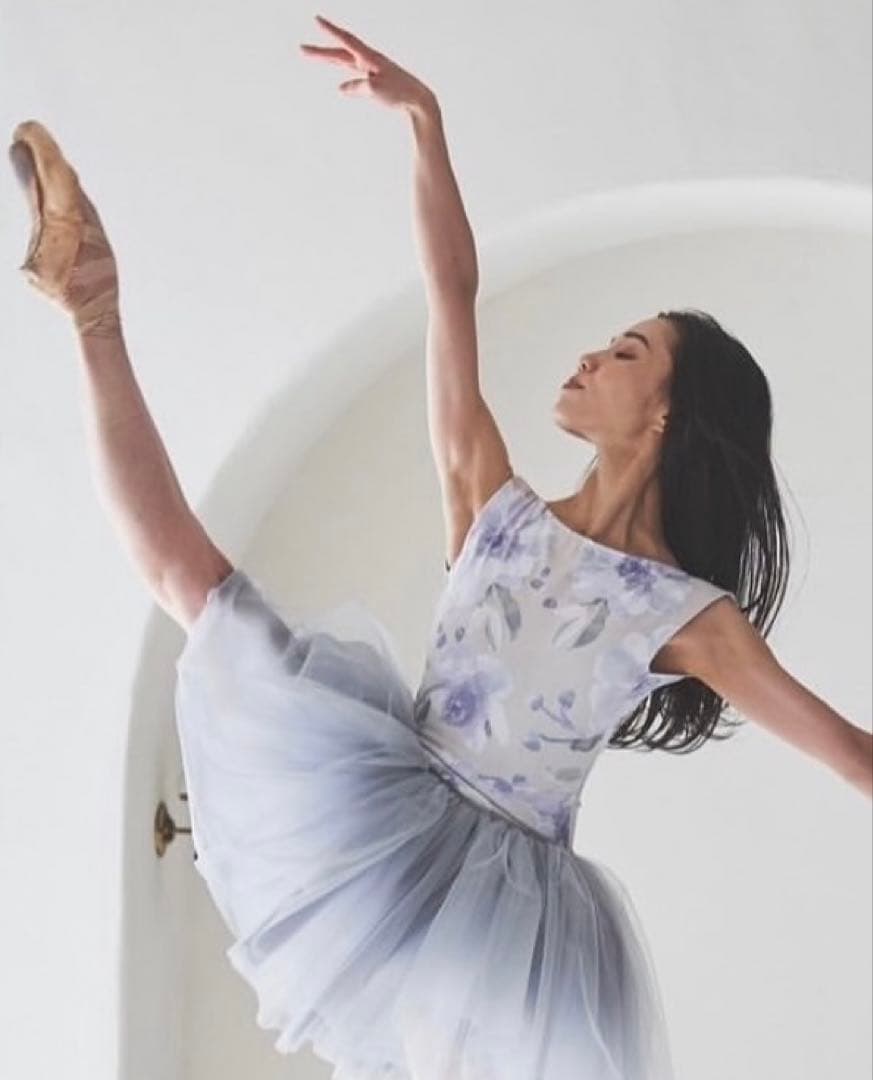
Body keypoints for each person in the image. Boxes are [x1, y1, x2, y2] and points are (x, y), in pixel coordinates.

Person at [10, 14, 871, 1080]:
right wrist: (425, 124)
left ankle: (92, 304)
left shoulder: (685, 616)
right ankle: (91, 301)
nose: (590, 356)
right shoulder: (488, 496)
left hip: (510, 914)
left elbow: (850, 753)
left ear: (667, 414)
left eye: (626, 352)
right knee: (199, 587)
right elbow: (451, 289)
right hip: (392, 812)